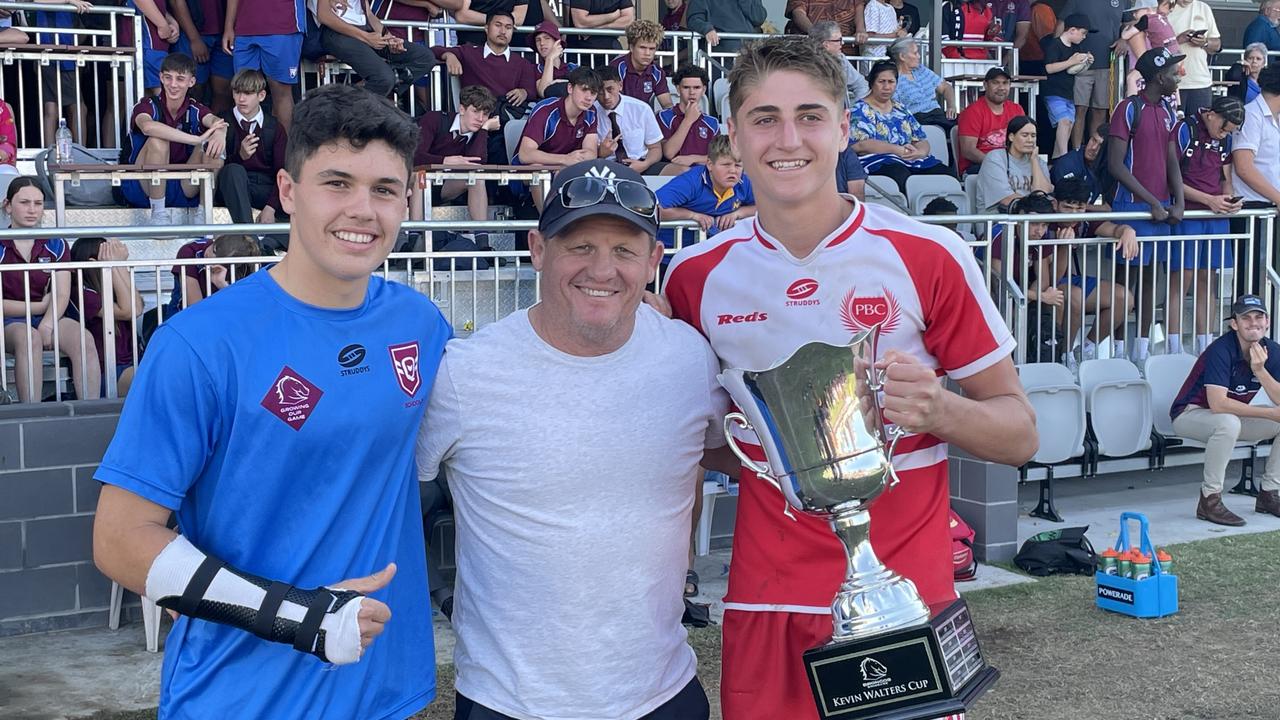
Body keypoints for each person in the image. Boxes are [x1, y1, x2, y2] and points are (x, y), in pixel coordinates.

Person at [663, 36, 1036, 720]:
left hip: (905, 606)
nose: (788, 138)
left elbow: (1019, 436)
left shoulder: (928, 256)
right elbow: (702, 438)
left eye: (809, 115)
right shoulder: (694, 279)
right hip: (766, 602)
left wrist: (940, 412)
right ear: (735, 138)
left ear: (843, 127)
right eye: (764, 118)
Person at [92, 84, 448, 720]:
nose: (363, 210)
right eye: (336, 183)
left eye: (384, 189)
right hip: (239, 696)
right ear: (286, 192)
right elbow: (119, 541)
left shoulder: (422, 325)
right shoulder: (200, 343)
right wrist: (297, 617)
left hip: (384, 686)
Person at [417, 158, 721, 720]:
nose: (602, 270)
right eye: (580, 246)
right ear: (537, 249)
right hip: (508, 702)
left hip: (662, 694)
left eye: (625, 250)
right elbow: (385, 492)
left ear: (654, 261)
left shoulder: (689, 358)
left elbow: (707, 459)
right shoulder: (464, 374)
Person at [1170, 295, 1280, 526]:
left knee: (1231, 422)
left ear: (1267, 321)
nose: (1253, 322)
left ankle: (1269, 494)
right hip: (1190, 414)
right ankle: (1209, 500)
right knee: (1228, 423)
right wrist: (1269, 414)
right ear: (1234, 324)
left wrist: (1260, 371)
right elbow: (1218, 404)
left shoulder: (1272, 350)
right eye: (1246, 318)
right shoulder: (1222, 349)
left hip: (1233, 417)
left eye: (1258, 316)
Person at [1108, 47, 1185, 366]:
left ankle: (1140, 353)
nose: (1177, 76)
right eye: (1171, 72)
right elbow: (1115, 165)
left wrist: (1177, 200)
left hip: (1159, 207)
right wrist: (1152, 202)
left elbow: (1171, 160)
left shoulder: (1168, 109)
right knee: (1124, 283)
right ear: (1157, 77)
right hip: (1131, 208)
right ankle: (1113, 351)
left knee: (1153, 277)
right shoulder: (1127, 108)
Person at [0, 177, 101, 403]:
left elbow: (62, 292)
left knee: (83, 339)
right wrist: (39, 306)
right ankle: (32, 413)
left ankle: (90, 411)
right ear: (8, 205)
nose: (32, 210)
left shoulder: (56, 243)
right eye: (24, 202)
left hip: (48, 316)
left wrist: (47, 321)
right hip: (7, 321)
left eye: (38, 203)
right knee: (29, 338)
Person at [1166, 96, 1245, 356]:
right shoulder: (1184, 129)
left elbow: (1226, 177)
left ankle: (1205, 347)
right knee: (1182, 278)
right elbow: (1171, 177)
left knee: (1207, 279)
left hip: (1215, 214)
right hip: (1189, 212)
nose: (1224, 134)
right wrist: (1208, 200)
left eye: (1230, 132)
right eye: (1223, 128)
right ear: (1211, 114)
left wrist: (1228, 198)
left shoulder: (1225, 139)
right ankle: (1174, 348)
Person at [122, 52, 228, 226]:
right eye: (168, 78)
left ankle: (203, 213)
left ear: (191, 82)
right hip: (143, 185)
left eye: (180, 79)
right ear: (161, 78)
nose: (173, 84)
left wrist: (220, 132)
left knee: (213, 145)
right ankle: (158, 214)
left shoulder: (194, 108)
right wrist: (195, 139)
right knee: (159, 140)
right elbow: (147, 126)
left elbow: (216, 122)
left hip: (182, 185)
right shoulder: (147, 105)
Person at [1048, 178, 1137, 368]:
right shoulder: (1044, 220)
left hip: (1071, 279)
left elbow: (1113, 228)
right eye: (1067, 207)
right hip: (1042, 283)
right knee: (1075, 295)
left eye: (1079, 208)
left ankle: (1087, 349)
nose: (1073, 214)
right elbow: (1051, 279)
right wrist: (1063, 247)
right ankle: (1065, 355)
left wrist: (1127, 231)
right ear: (1055, 204)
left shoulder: (1085, 220)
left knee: (1124, 298)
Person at [850, 60, 953, 193]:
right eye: (882, 82)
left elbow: (920, 139)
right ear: (872, 83)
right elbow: (861, 145)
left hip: (909, 158)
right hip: (876, 161)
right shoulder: (859, 109)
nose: (887, 87)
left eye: (891, 82)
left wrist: (920, 152)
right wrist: (897, 150)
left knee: (945, 174)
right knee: (900, 173)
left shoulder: (901, 109)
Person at [313, 0, 436, 98]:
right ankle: (347, 109)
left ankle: (361, 90)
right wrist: (366, 38)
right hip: (336, 33)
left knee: (425, 58)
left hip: (365, 29)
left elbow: (369, 14)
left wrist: (389, 38)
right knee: (384, 78)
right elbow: (324, 16)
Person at [69, 237, 144, 396]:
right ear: (92, 261)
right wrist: (112, 266)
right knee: (149, 380)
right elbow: (128, 311)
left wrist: (120, 267)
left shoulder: (112, 284)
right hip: (107, 372)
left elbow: (137, 306)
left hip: (132, 363)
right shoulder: (80, 291)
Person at [516, 67, 601, 208]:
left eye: (593, 93)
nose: (588, 97)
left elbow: (591, 153)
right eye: (584, 90)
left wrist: (567, 163)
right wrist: (564, 160)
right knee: (539, 170)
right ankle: (547, 223)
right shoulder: (545, 110)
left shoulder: (591, 112)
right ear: (570, 88)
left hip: (565, 167)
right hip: (528, 170)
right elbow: (525, 155)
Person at [411, 85, 497, 224]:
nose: (480, 119)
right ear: (461, 109)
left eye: (485, 114)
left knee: (476, 179)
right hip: (414, 183)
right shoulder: (434, 119)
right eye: (475, 111)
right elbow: (415, 157)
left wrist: (484, 130)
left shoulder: (479, 131)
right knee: (421, 176)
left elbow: (476, 164)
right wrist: (445, 161)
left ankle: (482, 241)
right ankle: (414, 238)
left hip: (445, 185)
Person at [1230, 64, 1280, 299]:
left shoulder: (1275, 120)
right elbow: (1243, 167)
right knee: (1252, 286)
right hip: (1254, 211)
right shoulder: (1251, 115)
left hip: (1271, 208)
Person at [216, 68, 289, 226]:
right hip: (232, 188)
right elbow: (216, 168)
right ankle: (249, 237)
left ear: (261, 96)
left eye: (248, 93)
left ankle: (269, 241)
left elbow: (283, 171)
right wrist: (239, 156)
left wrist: (270, 207)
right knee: (233, 170)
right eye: (237, 92)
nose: (241, 99)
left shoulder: (274, 127)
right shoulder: (222, 122)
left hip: (265, 188)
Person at [656, 135, 754, 248]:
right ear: (710, 165)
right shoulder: (690, 182)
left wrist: (737, 214)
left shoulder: (744, 183)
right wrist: (692, 216)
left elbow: (767, 207)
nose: (733, 170)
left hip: (716, 253)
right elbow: (655, 209)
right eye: (726, 165)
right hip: (671, 252)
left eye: (738, 165)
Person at [223, 0, 306, 129]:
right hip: (244, 26)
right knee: (244, 89)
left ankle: (284, 147)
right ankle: (246, 148)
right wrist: (228, 26)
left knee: (280, 91)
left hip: (283, 25)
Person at [1059, 0, 1123, 150]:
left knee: (1100, 110)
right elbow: (1062, 23)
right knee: (1079, 109)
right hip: (1079, 62)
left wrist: (1124, 39)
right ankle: (1076, 151)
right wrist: (1057, 51)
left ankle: (1095, 151)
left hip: (1108, 63)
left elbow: (1129, 22)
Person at [956, 66, 1025, 175]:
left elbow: (1024, 142)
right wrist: (999, 164)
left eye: (1005, 83)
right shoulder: (972, 112)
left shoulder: (1017, 109)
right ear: (985, 85)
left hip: (1011, 165)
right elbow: (968, 151)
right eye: (996, 83)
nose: (1001, 87)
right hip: (979, 166)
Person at [1041, 14, 1093, 159]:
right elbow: (1049, 68)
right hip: (1053, 92)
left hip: (1068, 94)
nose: (1084, 37)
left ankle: (1057, 161)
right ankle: (1065, 158)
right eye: (1083, 33)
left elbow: (1075, 70)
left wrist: (1086, 63)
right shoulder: (1055, 45)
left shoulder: (1077, 47)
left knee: (1068, 124)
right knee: (1063, 122)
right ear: (1072, 30)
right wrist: (1071, 61)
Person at [977, 115, 1052, 212]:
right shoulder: (995, 158)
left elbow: (1043, 194)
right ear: (1011, 137)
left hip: (1033, 218)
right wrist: (1035, 209)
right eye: (1025, 135)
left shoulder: (1038, 161)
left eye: (1033, 136)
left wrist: (1034, 161)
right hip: (999, 219)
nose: (1030, 140)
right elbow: (1006, 199)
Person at [170, 0, 234, 113]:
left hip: (223, 33)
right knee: (191, 89)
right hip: (191, 32)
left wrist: (229, 28)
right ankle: (187, 129)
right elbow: (176, 2)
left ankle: (215, 129)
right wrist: (194, 39)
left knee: (224, 92)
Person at [657, 65, 719, 176]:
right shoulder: (664, 116)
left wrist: (693, 158)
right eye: (686, 87)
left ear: (704, 89)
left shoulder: (712, 122)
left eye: (697, 87)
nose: (692, 92)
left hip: (705, 173)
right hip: (674, 174)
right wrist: (688, 120)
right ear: (677, 89)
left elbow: (719, 157)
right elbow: (669, 153)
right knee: (685, 171)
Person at [596, 75, 665, 174]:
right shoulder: (591, 112)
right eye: (600, 91)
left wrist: (645, 164)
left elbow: (656, 148)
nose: (606, 96)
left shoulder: (641, 109)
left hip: (640, 164)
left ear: (620, 85)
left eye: (610, 89)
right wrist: (600, 154)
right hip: (605, 167)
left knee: (680, 171)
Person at [888, 37, 957, 130]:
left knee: (966, 123)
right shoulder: (893, 78)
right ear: (902, 56)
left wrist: (951, 106)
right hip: (916, 119)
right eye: (915, 53)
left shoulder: (921, 69)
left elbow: (945, 87)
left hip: (937, 115)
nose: (919, 56)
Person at [1167, 0, 1219, 119]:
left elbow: (1217, 44)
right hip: (1171, 82)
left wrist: (1205, 42)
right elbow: (1153, 44)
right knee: (1169, 128)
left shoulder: (1204, 8)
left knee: (1199, 131)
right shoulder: (1165, 6)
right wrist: (1177, 40)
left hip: (1200, 81)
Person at [608, 20, 672, 109]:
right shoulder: (617, 67)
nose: (647, 53)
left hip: (642, 118)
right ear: (631, 47)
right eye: (642, 48)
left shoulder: (657, 72)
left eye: (652, 49)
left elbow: (667, 105)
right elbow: (613, 103)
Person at [1121, 0, 1178, 98]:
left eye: (1136, 11)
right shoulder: (1163, 20)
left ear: (1147, 10)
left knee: (1131, 78)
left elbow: (1143, 59)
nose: (1134, 15)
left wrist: (1124, 31)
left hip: (1149, 75)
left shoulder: (1144, 24)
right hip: (1167, 65)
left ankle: (1132, 103)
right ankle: (1179, 107)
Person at [811, 21, 869, 107]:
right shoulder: (807, 65)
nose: (842, 43)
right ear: (826, 44)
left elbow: (860, 83)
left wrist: (856, 108)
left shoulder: (841, 59)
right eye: (839, 40)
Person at [1050, 120, 1109, 205]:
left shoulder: (1109, 167)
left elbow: (1110, 206)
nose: (1093, 147)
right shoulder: (1068, 164)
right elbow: (1071, 206)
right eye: (1093, 140)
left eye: (1101, 146)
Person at [685, 0, 768, 56]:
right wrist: (707, 29)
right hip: (722, 55)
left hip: (749, 54)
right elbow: (693, 19)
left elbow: (759, 18)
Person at [531, 21, 578, 99]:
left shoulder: (573, 67)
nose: (542, 43)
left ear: (557, 43)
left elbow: (584, 89)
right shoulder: (534, 69)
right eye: (538, 40)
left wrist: (557, 82)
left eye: (547, 38)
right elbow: (543, 92)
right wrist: (550, 59)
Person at [568, 0, 634, 51]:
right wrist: (611, 16)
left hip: (611, 47)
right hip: (581, 50)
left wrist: (600, 27)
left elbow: (628, 20)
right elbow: (581, 22)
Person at [786, 0, 862, 38]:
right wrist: (815, 33)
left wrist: (861, 31)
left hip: (847, 50)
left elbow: (859, 8)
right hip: (812, 50)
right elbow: (798, 13)